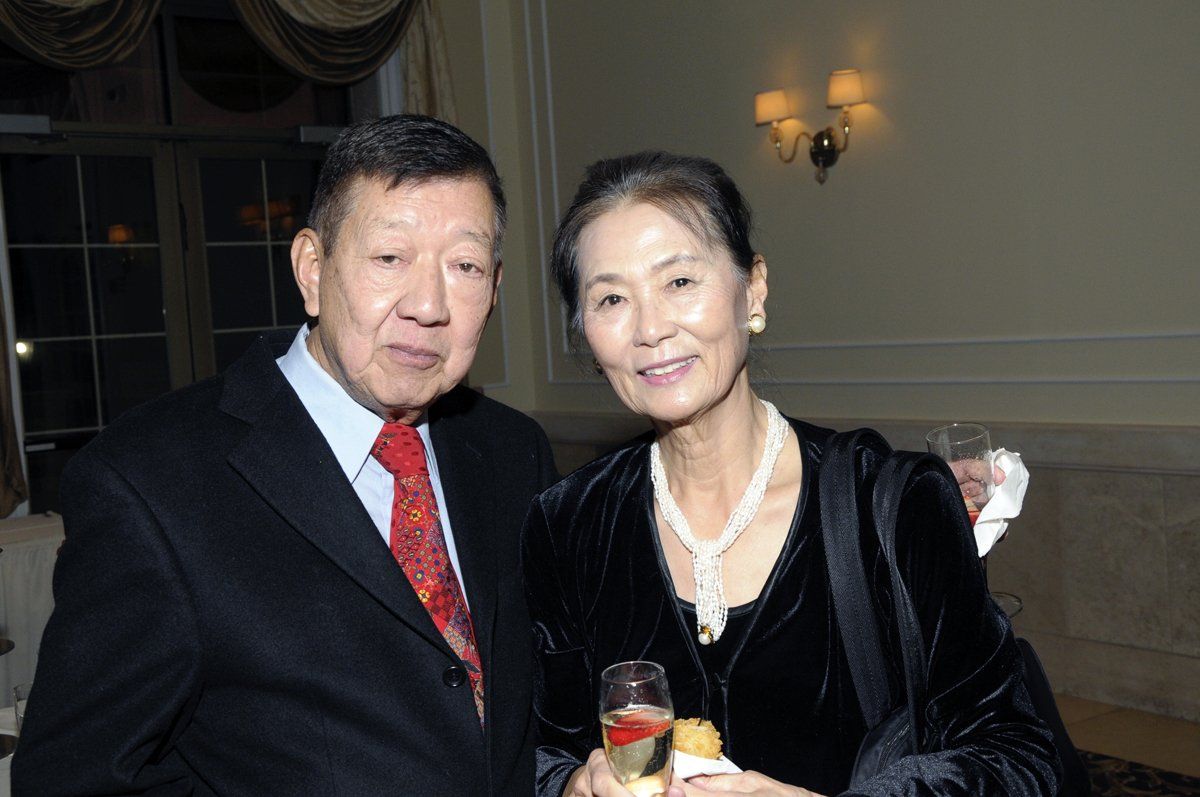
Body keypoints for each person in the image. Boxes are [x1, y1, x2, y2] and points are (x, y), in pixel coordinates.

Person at [13, 115, 557, 795]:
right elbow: (73, 781)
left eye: (466, 266)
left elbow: (534, 711)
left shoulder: (513, 451)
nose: (428, 304)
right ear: (311, 268)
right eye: (390, 258)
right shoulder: (149, 484)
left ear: (496, 288)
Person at [522, 151, 1060, 797]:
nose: (651, 327)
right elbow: (536, 747)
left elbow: (1019, 755)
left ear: (754, 288)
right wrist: (576, 782)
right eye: (611, 297)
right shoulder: (568, 522)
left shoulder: (888, 502)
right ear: (585, 332)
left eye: (680, 282)